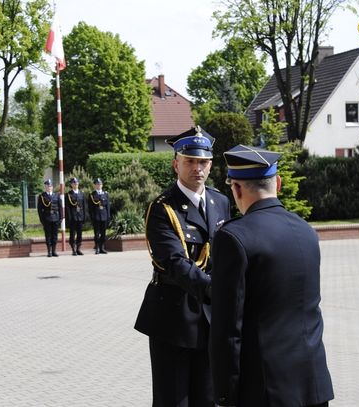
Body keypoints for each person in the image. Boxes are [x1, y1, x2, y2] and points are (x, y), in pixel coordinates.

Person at [209, 144, 334, 407]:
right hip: (312, 383)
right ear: (277, 182)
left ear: (237, 189)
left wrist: (224, 393)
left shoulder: (233, 237)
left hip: (264, 389)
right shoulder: (306, 231)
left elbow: (227, 327)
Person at [134, 126, 231, 407]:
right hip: (173, 319)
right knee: (174, 400)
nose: (196, 168)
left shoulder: (220, 202)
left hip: (210, 320)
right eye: (189, 161)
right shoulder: (163, 208)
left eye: (202, 162)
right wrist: (219, 291)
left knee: (209, 398)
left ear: (210, 165)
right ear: (176, 163)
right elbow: (175, 263)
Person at [37, 179, 61, 257]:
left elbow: (60, 207)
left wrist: (60, 218)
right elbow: (40, 209)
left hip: (56, 218)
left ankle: (54, 251)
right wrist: (42, 220)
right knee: (48, 235)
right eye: (47, 186)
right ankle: (49, 251)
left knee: (55, 235)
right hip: (47, 218)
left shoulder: (56, 195)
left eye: (50, 186)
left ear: (52, 187)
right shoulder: (42, 196)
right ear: (45, 187)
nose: (49, 187)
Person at [65, 177, 87, 256]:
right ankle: (73, 249)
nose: (76, 184)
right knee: (72, 234)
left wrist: (84, 216)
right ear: (71, 184)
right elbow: (67, 208)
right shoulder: (68, 194)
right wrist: (69, 218)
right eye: (74, 183)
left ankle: (78, 249)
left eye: (77, 183)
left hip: (80, 217)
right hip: (73, 217)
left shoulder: (81, 194)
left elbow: (84, 206)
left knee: (80, 234)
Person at [88, 178, 110, 254]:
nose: (99, 186)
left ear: (102, 185)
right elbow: (90, 208)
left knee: (103, 233)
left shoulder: (105, 194)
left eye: (100, 184)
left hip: (104, 216)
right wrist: (92, 217)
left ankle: (102, 247)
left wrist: (108, 216)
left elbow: (107, 207)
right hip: (96, 216)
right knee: (96, 233)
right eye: (97, 184)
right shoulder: (92, 195)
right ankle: (97, 247)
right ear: (94, 185)